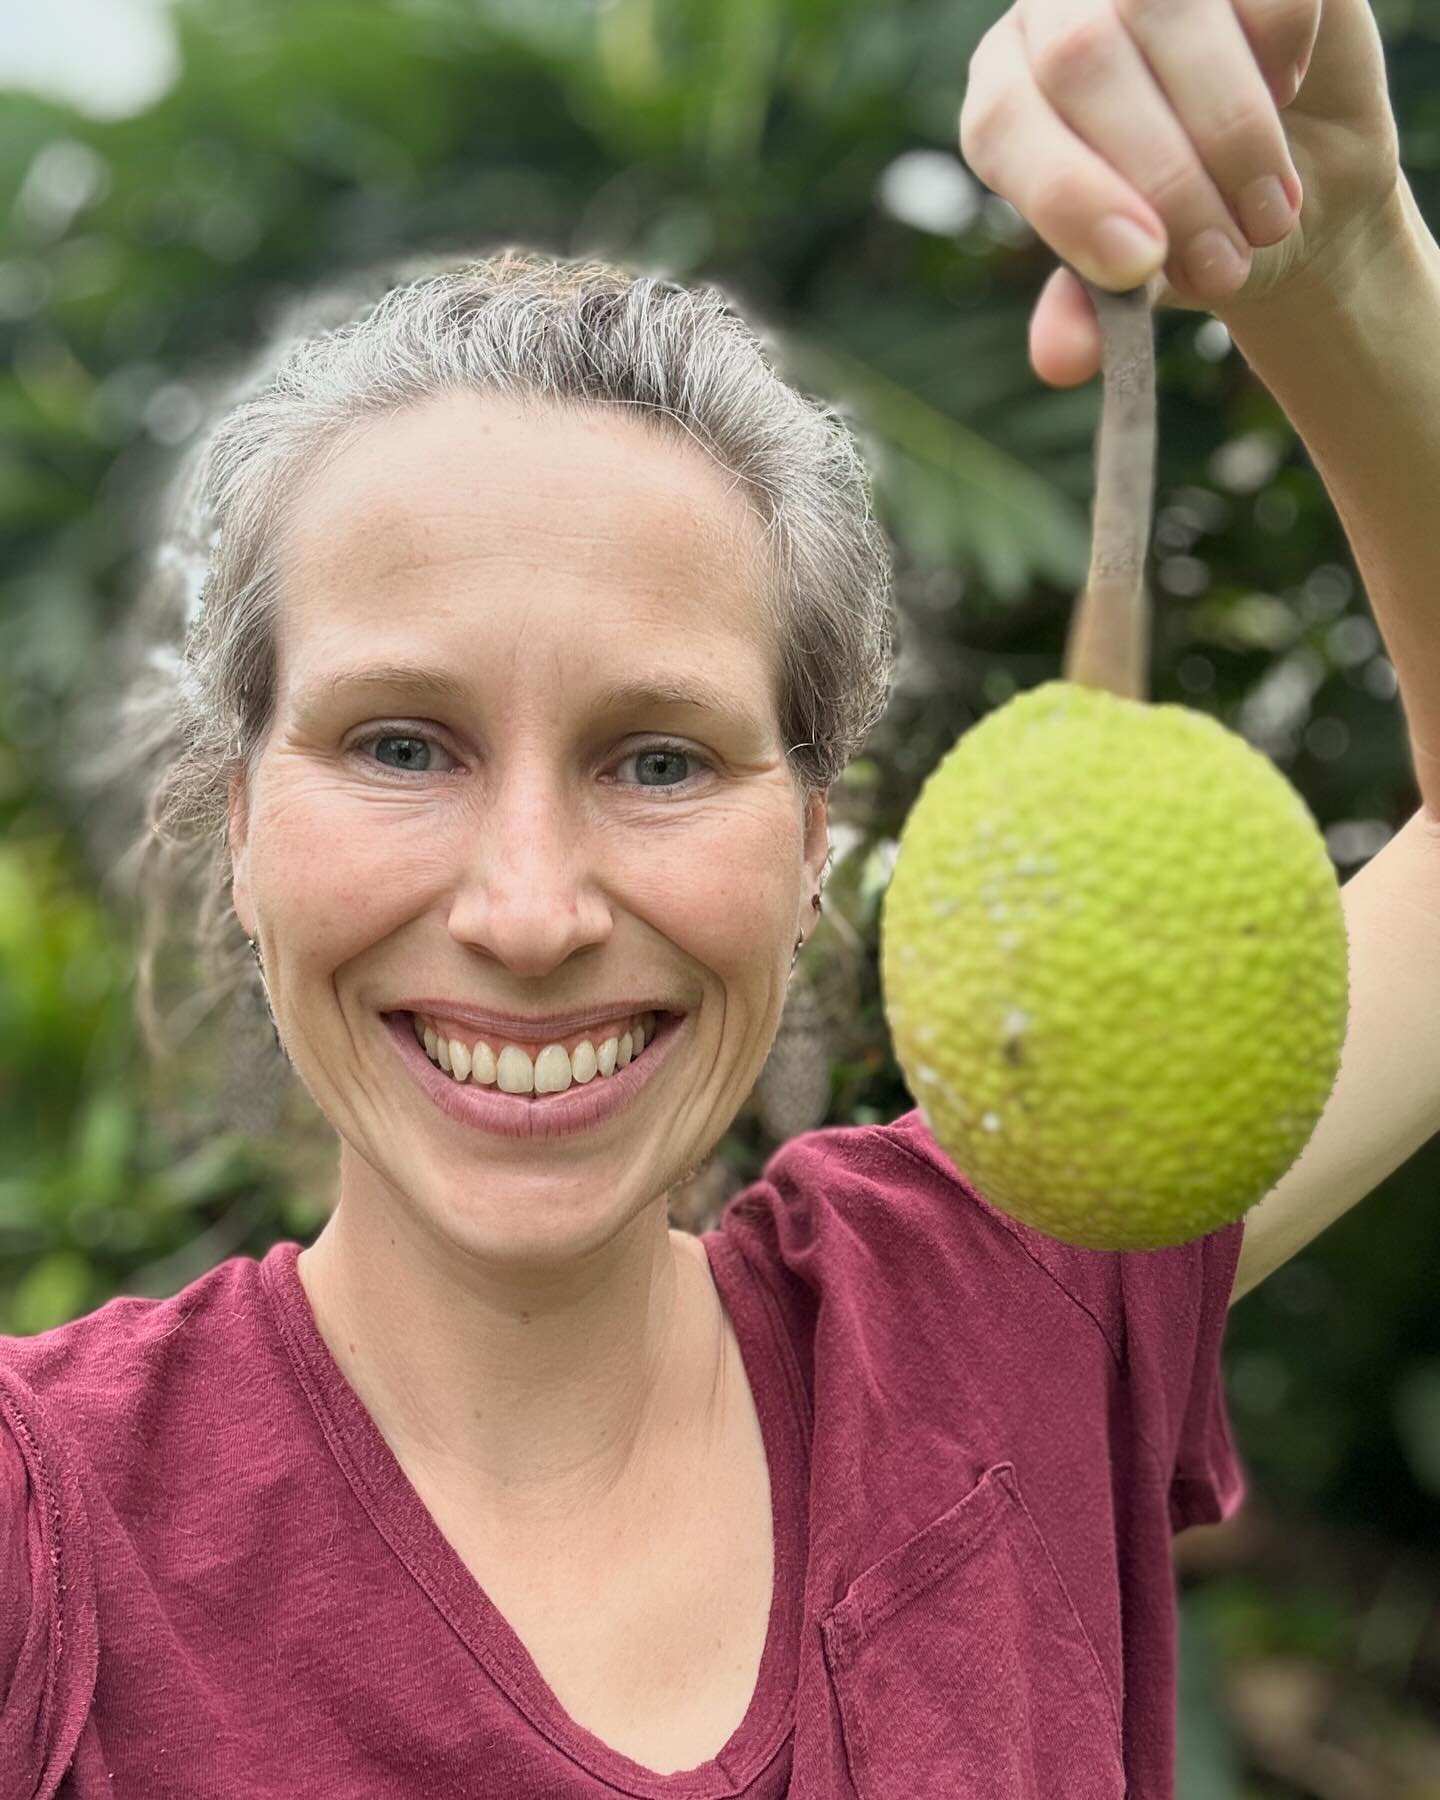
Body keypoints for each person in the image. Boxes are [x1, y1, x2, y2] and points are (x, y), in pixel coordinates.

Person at [5, 1, 1439, 1794]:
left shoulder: (988, 1312)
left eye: (661, 761)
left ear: (814, 845)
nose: (530, 913)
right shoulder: (45, 1532)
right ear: (240, 822)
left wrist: (1332, 247)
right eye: (399, 745)